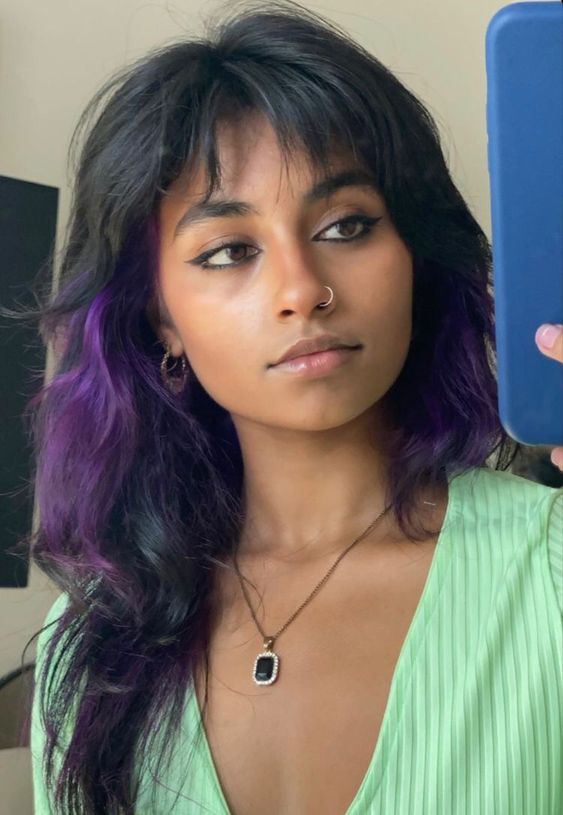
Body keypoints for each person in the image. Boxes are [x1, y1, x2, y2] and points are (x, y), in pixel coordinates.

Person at [12, 1, 561, 813]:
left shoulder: (550, 569)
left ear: (413, 257)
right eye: (230, 250)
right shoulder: (87, 646)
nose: (302, 290)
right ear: (160, 318)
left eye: (346, 225)